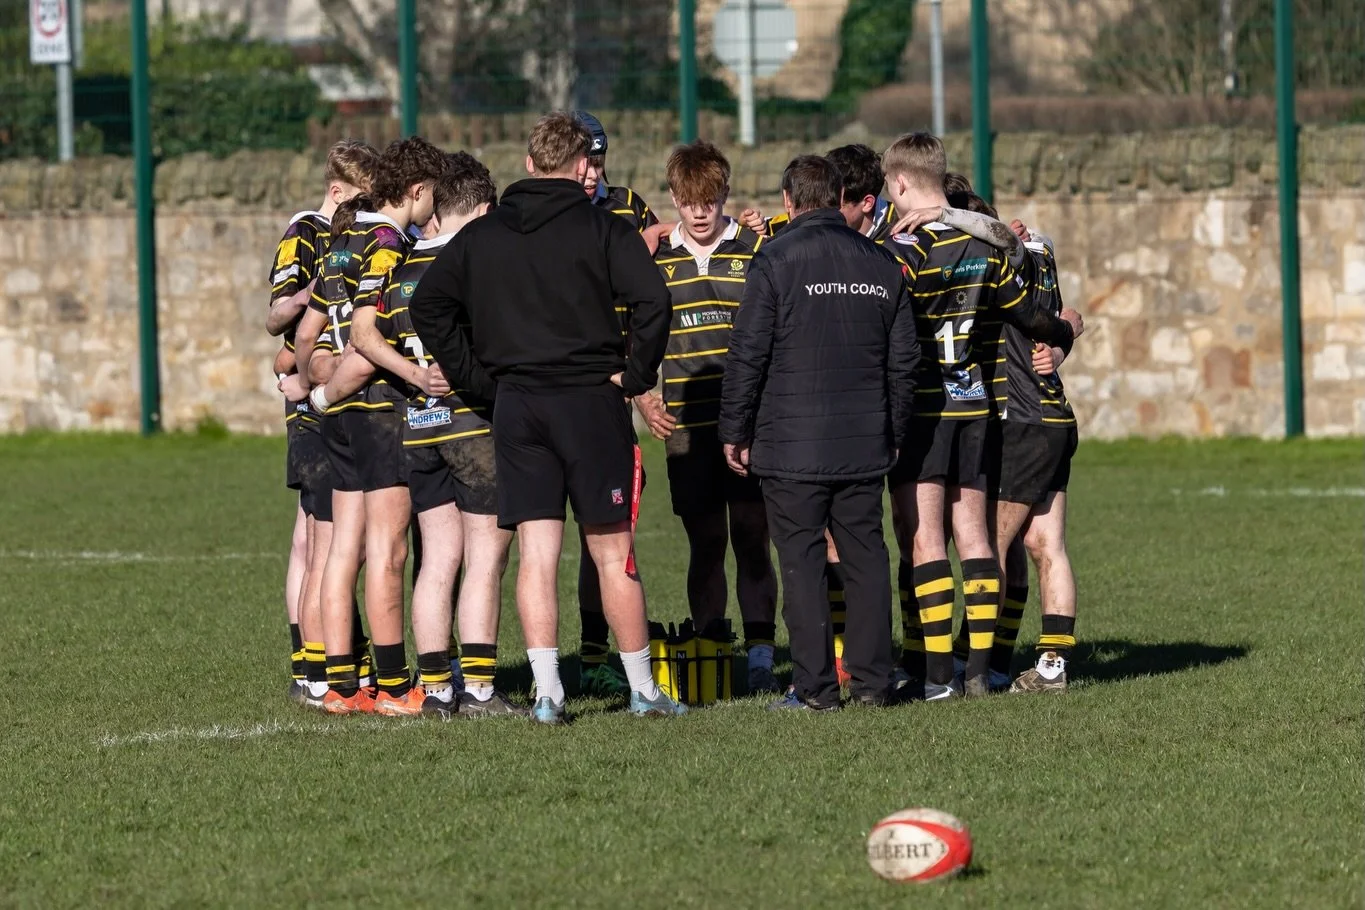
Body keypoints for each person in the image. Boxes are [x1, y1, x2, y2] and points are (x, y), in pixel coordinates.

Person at [410, 112, 684, 724]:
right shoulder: (603, 226)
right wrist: (637, 376)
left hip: (519, 407)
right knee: (614, 553)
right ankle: (642, 690)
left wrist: (479, 378)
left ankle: (547, 694)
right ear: (583, 166)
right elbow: (654, 301)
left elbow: (429, 305)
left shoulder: (483, 236)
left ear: (530, 165)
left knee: (536, 555)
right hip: (591, 401)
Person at [313, 153, 528, 718]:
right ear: (482, 209)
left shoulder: (402, 266)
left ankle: (433, 690)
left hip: (416, 425)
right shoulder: (474, 261)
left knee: (437, 559)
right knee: (485, 557)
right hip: (470, 423)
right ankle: (479, 690)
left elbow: (363, 336)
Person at [880, 132, 1081, 701]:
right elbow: (1032, 312)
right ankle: (977, 675)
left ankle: (939, 679)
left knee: (926, 544)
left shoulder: (902, 250)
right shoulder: (986, 251)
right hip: (975, 406)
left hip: (926, 406)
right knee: (977, 539)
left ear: (898, 182)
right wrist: (1065, 333)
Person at [718, 154, 920, 711]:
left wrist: (733, 430)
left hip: (789, 446)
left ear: (788, 202)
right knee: (866, 557)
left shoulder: (774, 261)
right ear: (836, 199)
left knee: (802, 563)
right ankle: (875, 682)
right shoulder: (882, 266)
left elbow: (747, 354)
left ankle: (815, 688)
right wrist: (894, 429)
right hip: (863, 442)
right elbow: (904, 362)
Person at [301, 136, 449, 715]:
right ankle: (392, 687)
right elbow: (366, 335)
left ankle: (340, 685)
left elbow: (309, 335)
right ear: (416, 191)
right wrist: (414, 372)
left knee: (345, 548)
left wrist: (318, 382)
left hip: (339, 415)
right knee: (388, 553)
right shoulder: (389, 243)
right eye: (430, 194)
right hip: (377, 407)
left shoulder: (342, 240)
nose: (431, 206)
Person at [637, 139, 780, 694]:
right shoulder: (654, 257)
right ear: (672, 197)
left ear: (725, 194)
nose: (699, 213)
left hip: (749, 423)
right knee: (705, 542)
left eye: (709, 200)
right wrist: (643, 396)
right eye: (688, 201)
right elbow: (633, 335)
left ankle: (763, 653)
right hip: (686, 428)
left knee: (752, 536)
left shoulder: (755, 250)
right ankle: (711, 644)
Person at [269, 138, 378, 707]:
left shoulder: (355, 234)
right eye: (361, 202)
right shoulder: (308, 230)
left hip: (327, 388)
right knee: (318, 540)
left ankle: (326, 659)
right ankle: (313, 666)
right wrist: (320, 296)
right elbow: (277, 318)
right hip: (314, 396)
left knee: (318, 538)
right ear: (338, 193)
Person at [566, 110, 663, 698]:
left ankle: (597, 651)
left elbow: (663, 269)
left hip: (616, 388)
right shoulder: (540, 213)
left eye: (599, 161)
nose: (591, 174)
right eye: (584, 161)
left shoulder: (628, 207)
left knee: (606, 528)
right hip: (565, 383)